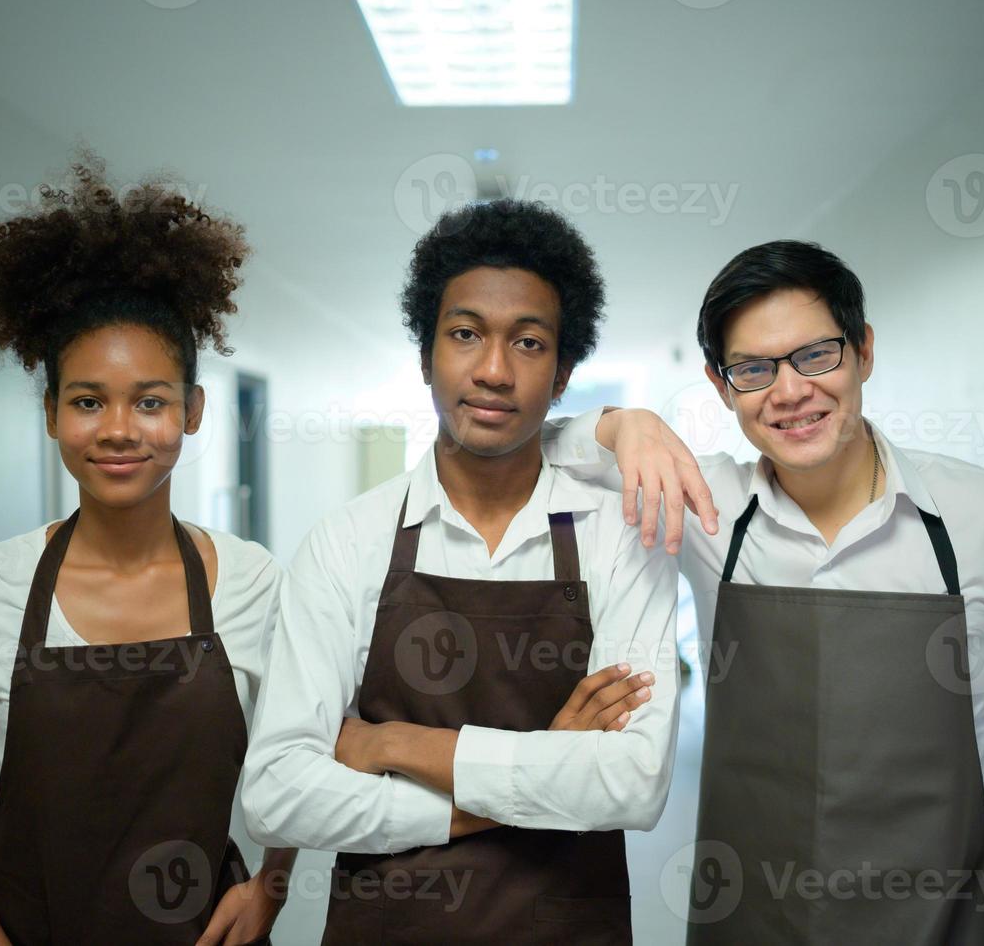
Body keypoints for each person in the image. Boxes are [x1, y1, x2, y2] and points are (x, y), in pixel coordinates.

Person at [541, 240, 984, 946]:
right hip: (748, 924)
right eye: (753, 369)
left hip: (941, 927)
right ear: (720, 384)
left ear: (863, 352)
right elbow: (534, 447)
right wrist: (622, 423)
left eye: (815, 355)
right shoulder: (706, 508)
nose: (789, 392)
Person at [241, 199, 681, 944]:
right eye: (465, 334)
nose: (493, 370)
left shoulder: (620, 540)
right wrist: (526, 773)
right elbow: (277, 796)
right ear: (425, 355)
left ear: (565, 370)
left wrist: (392, 746)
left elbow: (631, 784)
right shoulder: (349, 542)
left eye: (530, 342)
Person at [0, 154, 292, 945]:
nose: (117, 429)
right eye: (87, 401)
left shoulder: (254, 581)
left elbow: (300, 763)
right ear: (49, 414)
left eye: (150, 401)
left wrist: (272, 887)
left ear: (194, 411)